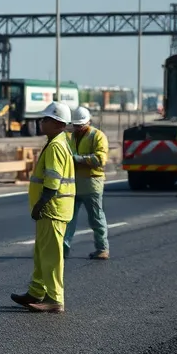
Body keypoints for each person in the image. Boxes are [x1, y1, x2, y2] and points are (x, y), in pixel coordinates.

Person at [11, 101, 76, 314]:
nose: (42, 122)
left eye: (46, 119)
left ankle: (55, 299)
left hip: (52, 209)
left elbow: (53, 182)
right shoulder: (56, 142)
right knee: (41, 254)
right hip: (51, 210)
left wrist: (41, 204)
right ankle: (36, 292)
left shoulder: (57, 146)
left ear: (58, 123)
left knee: (51, 257)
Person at [63, 106, 110, 260]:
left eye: (80, 125)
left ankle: (102, 248)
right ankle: (63, 249)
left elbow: (100, 159)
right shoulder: (72, 137)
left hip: (92, 183)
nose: (77, 128)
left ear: (88, 122)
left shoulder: (98, 136)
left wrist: (78, 159)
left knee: (96, 218)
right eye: (75, 125)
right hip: (74, 184)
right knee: (68, 219)